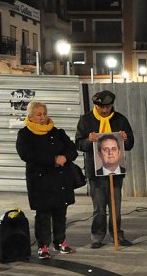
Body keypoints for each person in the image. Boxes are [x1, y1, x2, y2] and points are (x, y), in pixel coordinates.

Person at [16, 101, 78, 260]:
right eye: (38, 114)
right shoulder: (25, 134)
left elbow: (72, 149)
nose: (43, 117)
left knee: (60, 212)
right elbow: (26, 154)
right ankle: (43, 245)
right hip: (40, 181)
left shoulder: (57, 132)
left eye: (44, 113)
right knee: (43, 214)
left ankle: (60, 241)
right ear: (30, 116)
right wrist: (53, 159)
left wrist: (65, 157)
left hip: (60, 179)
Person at [75, 90, 134, 249]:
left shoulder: (120, 119)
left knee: (116, 206)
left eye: (107, 107)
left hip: (115, 169)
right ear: (96, 105)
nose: (104, 110)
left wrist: (125, 139)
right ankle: (97, 236)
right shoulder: (86, 120)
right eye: (101, 107)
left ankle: (117, 234)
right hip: (95, 170)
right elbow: (78, 144)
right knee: (99, 207)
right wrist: (89, 140)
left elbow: (130, 145)